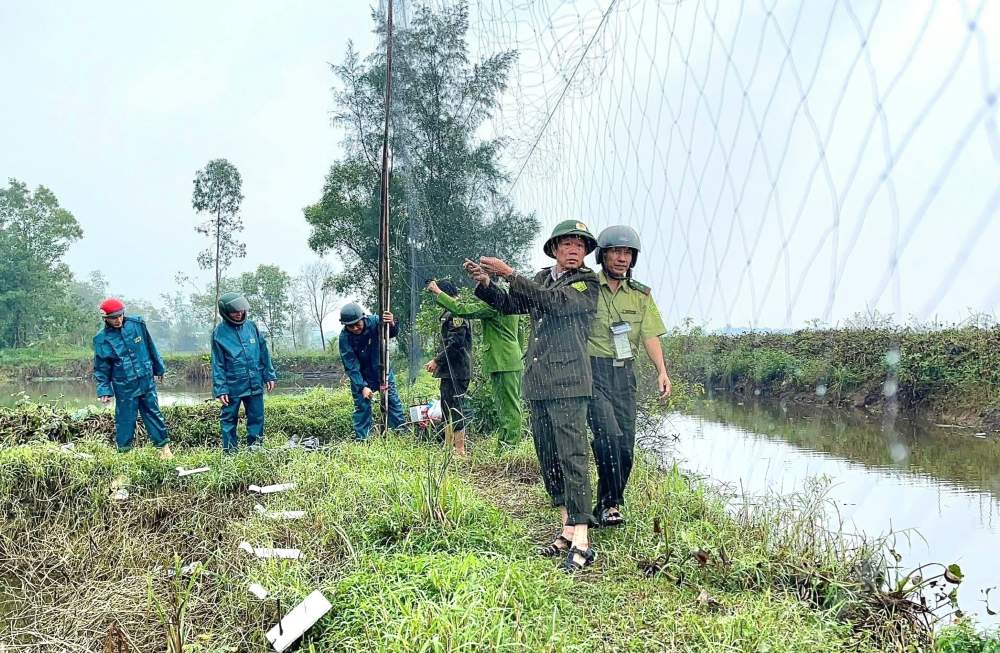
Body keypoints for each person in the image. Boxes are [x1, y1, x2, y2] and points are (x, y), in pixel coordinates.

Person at [465, 219, 600, 573]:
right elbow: (512, 305)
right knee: (548, 454)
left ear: (586, 253)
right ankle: (567, 528)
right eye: (567, 244)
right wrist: (487, 284)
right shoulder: (541, 277)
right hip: (539, 381)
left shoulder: (588, 283)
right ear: (554, 248)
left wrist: (509, 272)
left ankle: (583, 540)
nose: (574, 250)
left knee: (573, 455)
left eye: (580, 245)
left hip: (570, 382)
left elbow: (553, 303)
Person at [587, 225, 671, 527]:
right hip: (593, 371)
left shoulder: (641, 295)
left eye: (627, 253)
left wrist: (662, 371)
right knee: (607, 435)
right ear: (603, 254)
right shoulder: (586, 286)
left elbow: (650, 335)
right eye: (615, 252)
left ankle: (609, 502)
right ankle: (609, 504)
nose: (622, 258)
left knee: (625, 444)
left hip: (625, 374)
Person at [426, 278, 526, 450]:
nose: (482, 296)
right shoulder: (512, 306)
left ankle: (509, 447)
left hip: (500, 361)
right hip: (508, 359)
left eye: (486, 291)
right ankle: (504, 446)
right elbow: (520, 335)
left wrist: (437, 292)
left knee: (508, 408)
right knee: (506, 407)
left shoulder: (494, 306)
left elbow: (461, 310)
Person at [93, 298, 174, 459]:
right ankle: (125, 456)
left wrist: (159, 368)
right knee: (125, 420)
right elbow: (102, 367)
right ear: (105, 318)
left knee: (153, 413)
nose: (118, 320)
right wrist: (104, 389)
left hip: (146, 380)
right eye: (113, 318)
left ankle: (164, 451)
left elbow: (151, 347)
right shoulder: (101, 339)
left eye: (120, 316)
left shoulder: (137, 325)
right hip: (124, 386)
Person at [210, 292, 277, 453]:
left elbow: (263, 351)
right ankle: (230, 453)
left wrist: (269, 374)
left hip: (254, 381)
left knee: (257, 417)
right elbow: (217, 363)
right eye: (235, 311)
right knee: (228, 420)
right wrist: (221, 389)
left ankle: (255, 449)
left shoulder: (251, 326)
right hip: (232, 386)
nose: (239, 314)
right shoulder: (219, 333)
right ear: (225, 312)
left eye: (241, 310)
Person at [337, 302, 407, 441]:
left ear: (363, 318)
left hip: (383, 372)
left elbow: (391, 333)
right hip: (361, 376)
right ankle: (362, 440)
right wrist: (362, 386)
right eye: (351, 326)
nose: (355, 328)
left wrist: (392, 323)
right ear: (345, 325)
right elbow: (350, 365)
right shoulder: (344, 338)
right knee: (362, 407)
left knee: (392, 401)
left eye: (358, 324)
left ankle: (401, 436)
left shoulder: (376, 321)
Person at [424, 280, 473, 456]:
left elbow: (456, 344)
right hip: (449, 370)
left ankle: (460, 450)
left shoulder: (456, 313)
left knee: (456, 407)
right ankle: (448, 447)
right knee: (446, 407)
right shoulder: (449, 313)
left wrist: (437, 360)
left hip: (458, 370)